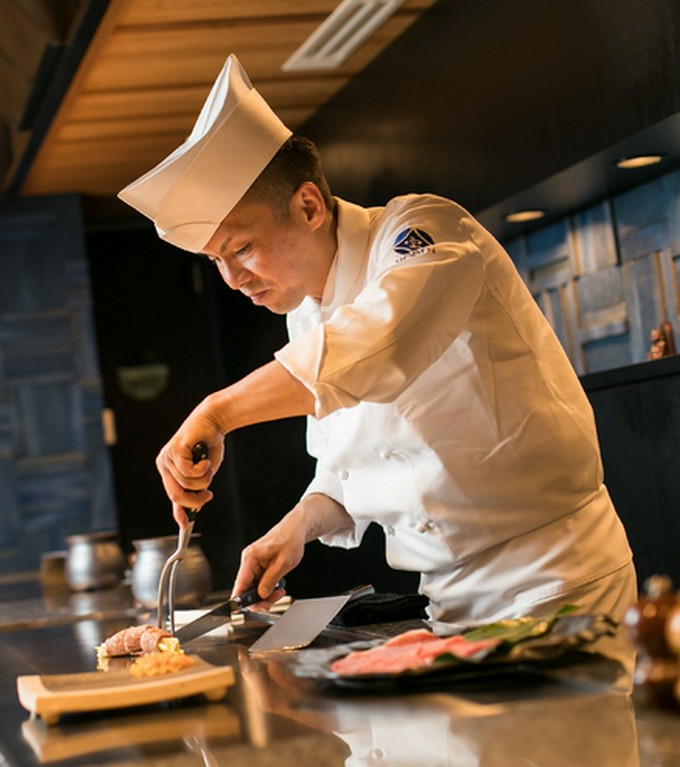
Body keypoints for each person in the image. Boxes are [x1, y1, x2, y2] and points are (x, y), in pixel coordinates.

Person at [118, 55, 637, 667]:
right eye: (216, 263)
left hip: (554, 580)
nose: (233, 280)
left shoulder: (424, 231)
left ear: (309, 206)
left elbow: (379, 346)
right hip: (445, 603)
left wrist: (217, 411)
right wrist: (299, 526)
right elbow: (350, 467)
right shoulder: (306, 315)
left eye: (242, 248)